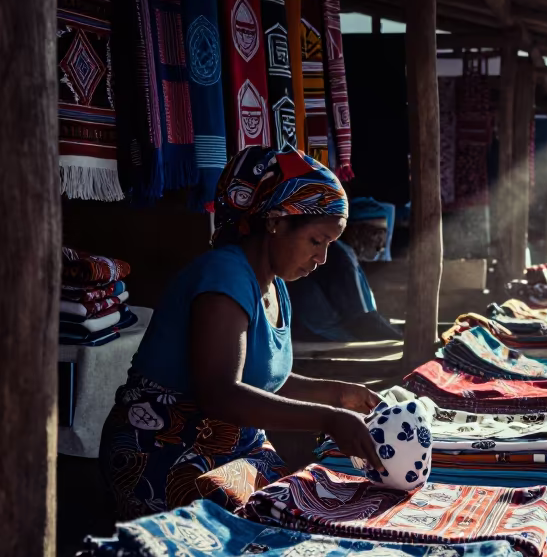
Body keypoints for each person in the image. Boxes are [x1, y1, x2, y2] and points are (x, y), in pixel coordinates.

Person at [99, 147, 385, 521]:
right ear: (276, 222)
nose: (323, 258)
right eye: (317, 241)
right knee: (280, 530)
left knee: (314, 511)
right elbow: (220, 393)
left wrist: (340, 395)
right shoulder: (225, 275)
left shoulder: (274, 285)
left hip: (232, 451)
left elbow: (262, 380)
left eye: (330, 245)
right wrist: (329, 418)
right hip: (166, 454)